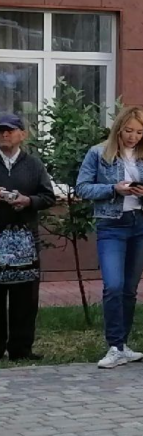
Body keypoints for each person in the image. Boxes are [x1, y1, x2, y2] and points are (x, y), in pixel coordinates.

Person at [75, 107, 143, 369]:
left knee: (129, 289)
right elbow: (82, 188)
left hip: (141, 224)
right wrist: (113, 189)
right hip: (111, 225)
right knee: (113, 285)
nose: (133, 137)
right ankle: (114, 346)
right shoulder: (98, 153)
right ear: (118, 129)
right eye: (128, 131)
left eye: (139, 132)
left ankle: (123, 345)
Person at [0, 113, 55, 362]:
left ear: (22, 134)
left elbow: (48, 196)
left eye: (10, 130)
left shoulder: (34, 164)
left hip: (24, 240)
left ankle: (21, 349)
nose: (4, 134)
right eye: (1, 130)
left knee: (25, 297)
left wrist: (28, 200)